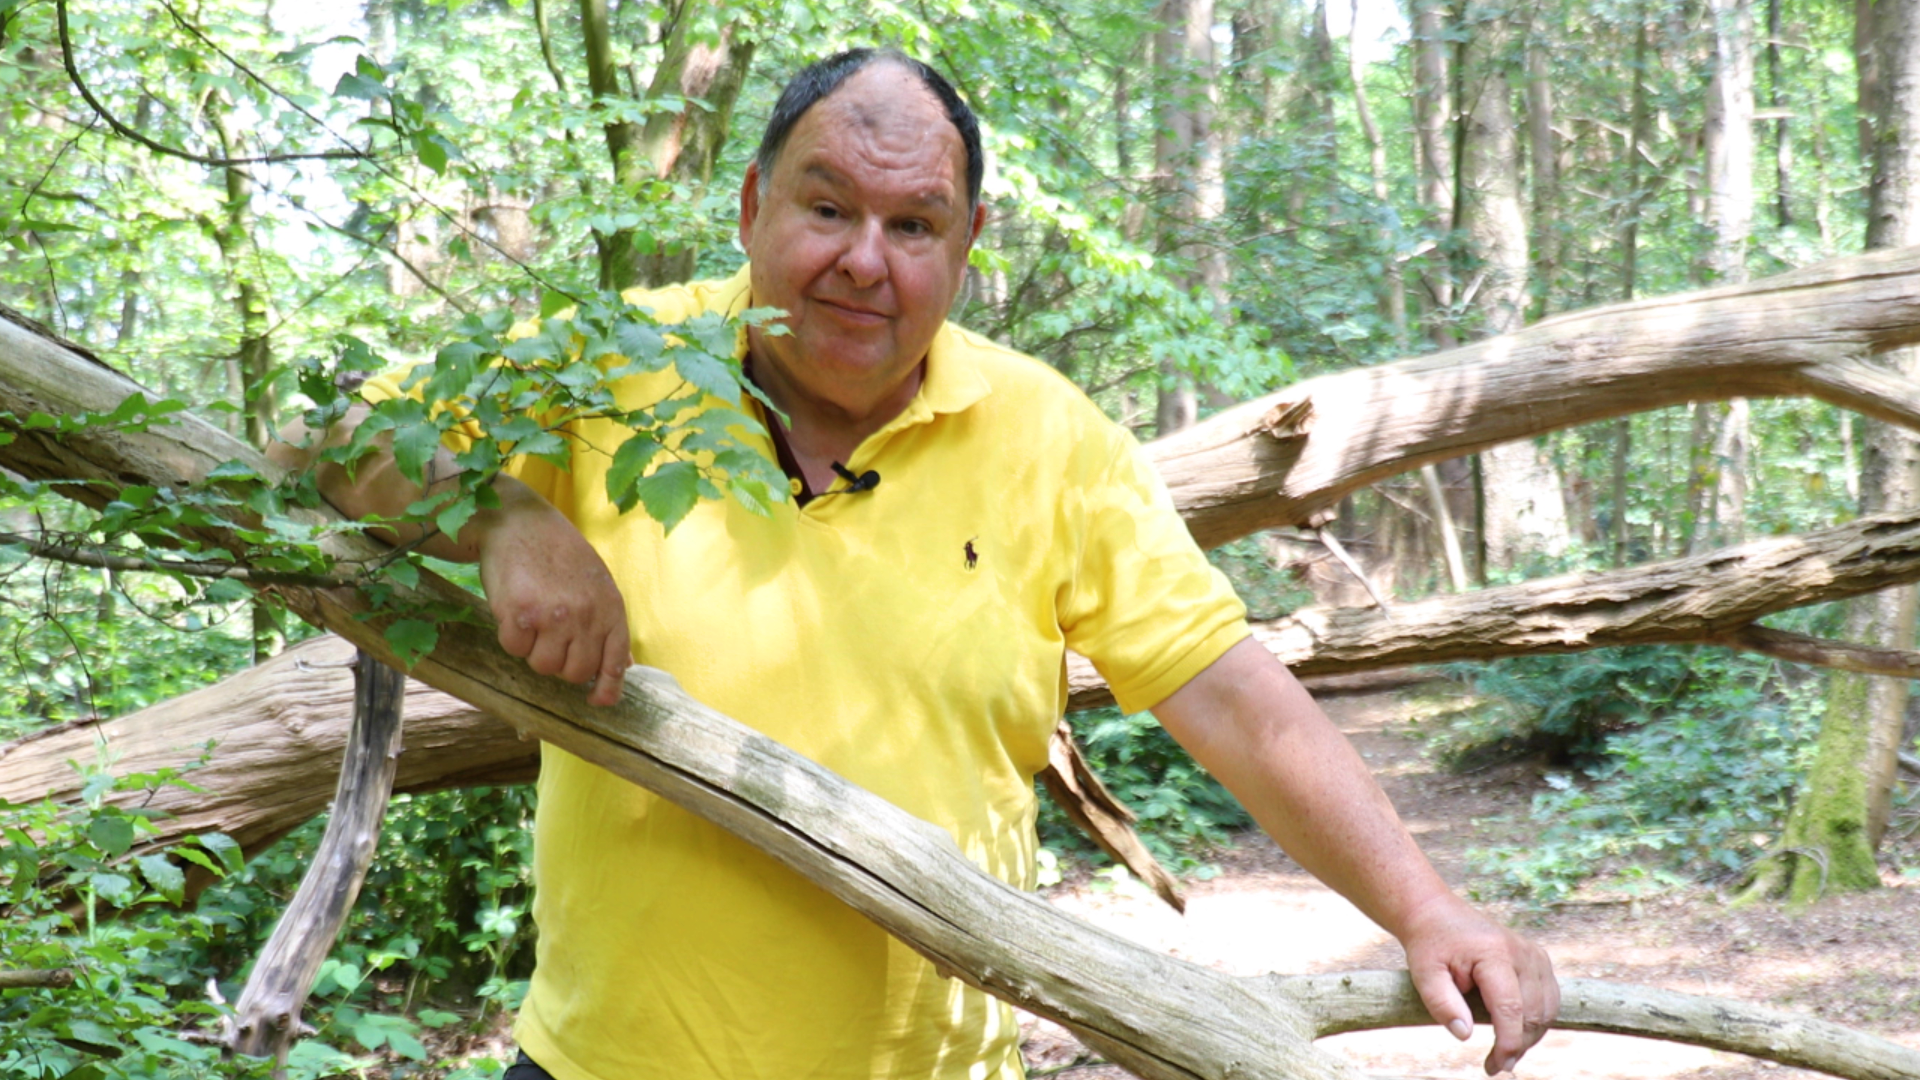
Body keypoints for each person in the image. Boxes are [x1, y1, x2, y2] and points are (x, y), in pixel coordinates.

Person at [277, 48, 1557, 1080]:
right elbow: (317, 440)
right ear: (750, 206)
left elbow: (1224, 687)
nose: (864, 261)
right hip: (607, 1061)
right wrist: (505, 513)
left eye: (914, 224)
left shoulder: (1051, 437)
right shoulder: (611, 363)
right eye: (828, 207)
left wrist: (1428, 911)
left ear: (966, 243)